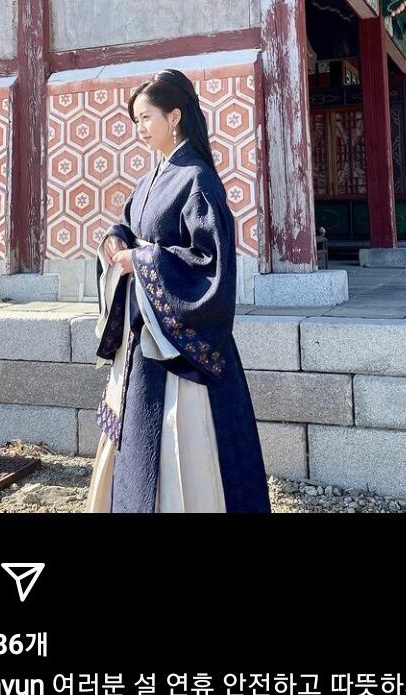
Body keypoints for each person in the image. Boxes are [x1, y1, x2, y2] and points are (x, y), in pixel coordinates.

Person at [86, 69, 271, 513]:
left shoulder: (197, 179)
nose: (139, 128)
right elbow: (131, 224)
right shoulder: (152, 177)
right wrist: (115, 238)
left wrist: (141, 261)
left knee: (180, 442)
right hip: (144, 333)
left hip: (178, 346)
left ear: (174, 117)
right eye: (135, 120)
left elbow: (209, 263)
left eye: (146, 118)